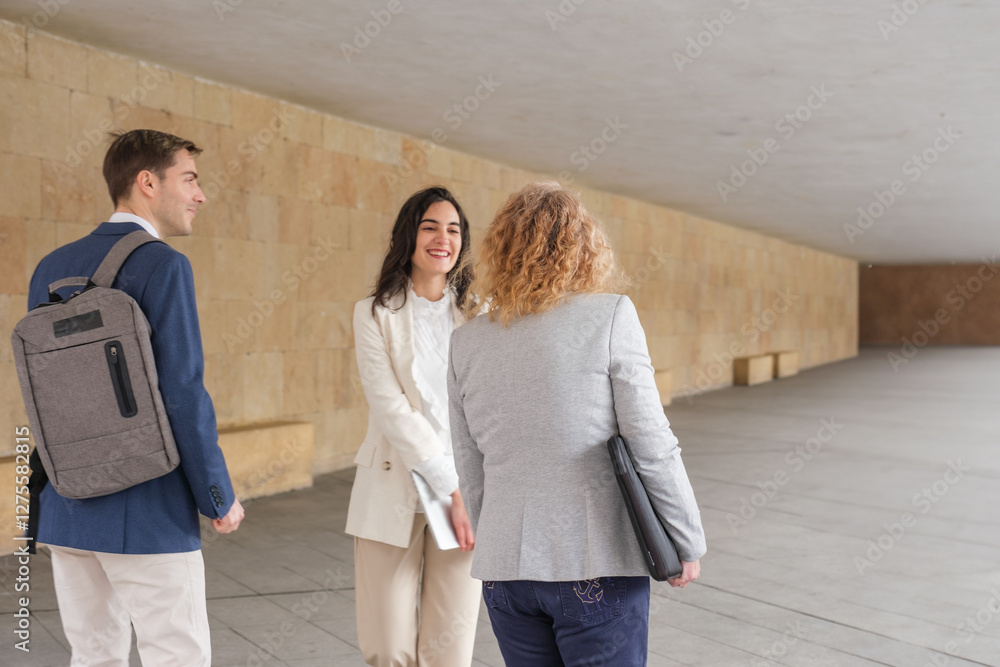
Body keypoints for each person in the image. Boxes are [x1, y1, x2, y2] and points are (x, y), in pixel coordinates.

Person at [448, 182, 707, 666]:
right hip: (594, 565)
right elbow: (651, 442)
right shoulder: (609, 316)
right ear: (582, 247)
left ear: (499, 249)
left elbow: (468, 460)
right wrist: (685, 538)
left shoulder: (467, 342)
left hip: (506, 575)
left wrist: (499, 542)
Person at [26, 129, 245, 666]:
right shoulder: (163, 265)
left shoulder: (50, 268)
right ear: (147, 182)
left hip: (66, 502)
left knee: (93, 654)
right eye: (189, 179)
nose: (201, 195)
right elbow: (182, 391)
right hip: (147, 505)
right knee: (177, 653)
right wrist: (216, 495)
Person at [346, 186, 482, 666]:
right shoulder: (373, 314)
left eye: (453, 229)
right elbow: (391, 409)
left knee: (451, 643)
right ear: (409, 235)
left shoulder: (481, 317)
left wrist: (468, 489)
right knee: (388, 647)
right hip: (396, 483)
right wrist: (451, 488)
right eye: (430, 226)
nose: (443, 238)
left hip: (469, 492)